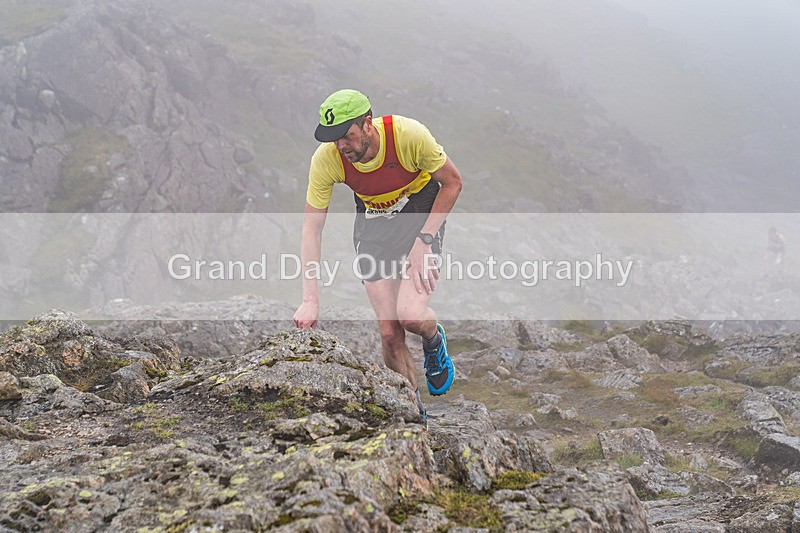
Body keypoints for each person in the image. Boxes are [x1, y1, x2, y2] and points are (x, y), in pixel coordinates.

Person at [293, 89, 463, 425]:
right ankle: (414, 416)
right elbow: (312, 229)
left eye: (347, 135)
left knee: (411, 316)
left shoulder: (409, 136)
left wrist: (424, 241)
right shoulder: (327, 159)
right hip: (374, 223)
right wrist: (309, 299)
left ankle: (433, 338)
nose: (341, 146)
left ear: (367, 124)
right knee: (389, 331)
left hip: (420, 212)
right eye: (333, 139)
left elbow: (453, 183)